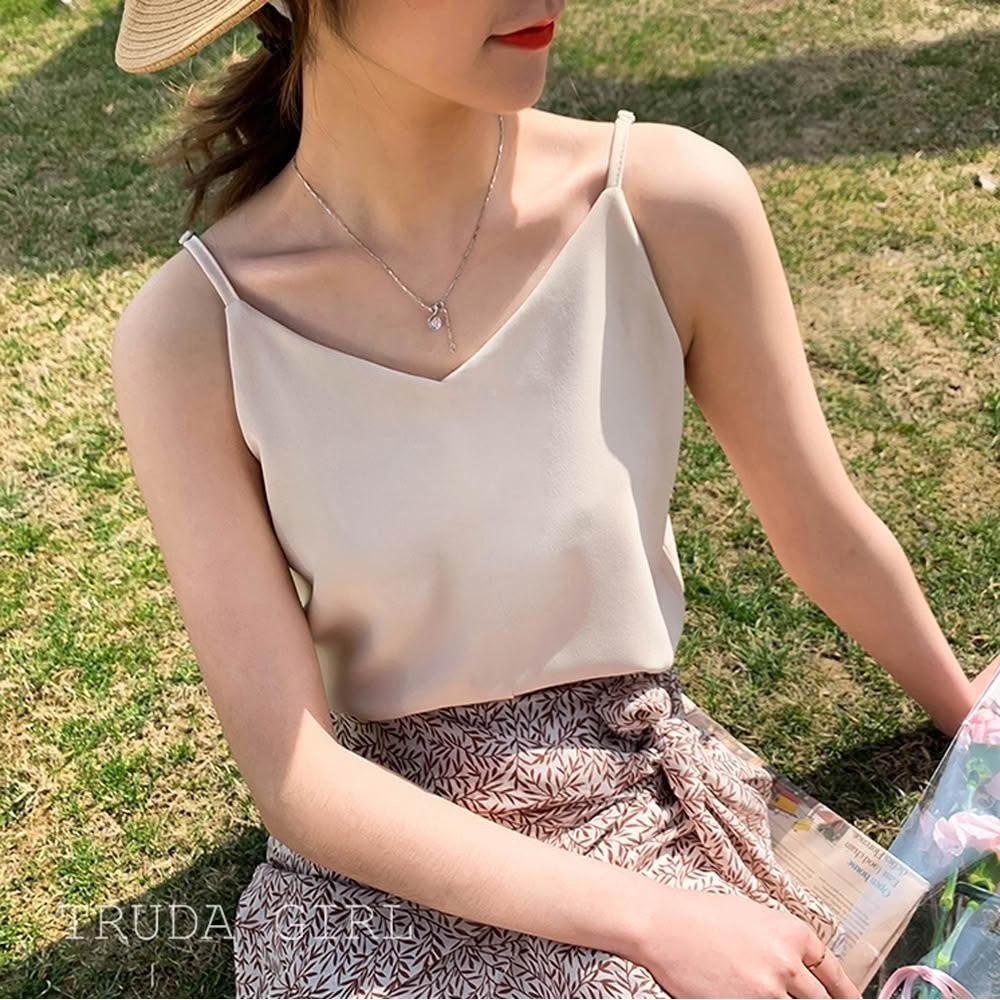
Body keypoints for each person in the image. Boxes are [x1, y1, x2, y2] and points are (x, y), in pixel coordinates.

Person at [109, 0, 988, 997]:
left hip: (640, 789)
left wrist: (973, 723)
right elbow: (299, 778)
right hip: (385, 862)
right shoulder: (195, 333)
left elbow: (821, 530)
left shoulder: (667, 204)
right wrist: (653, 923)